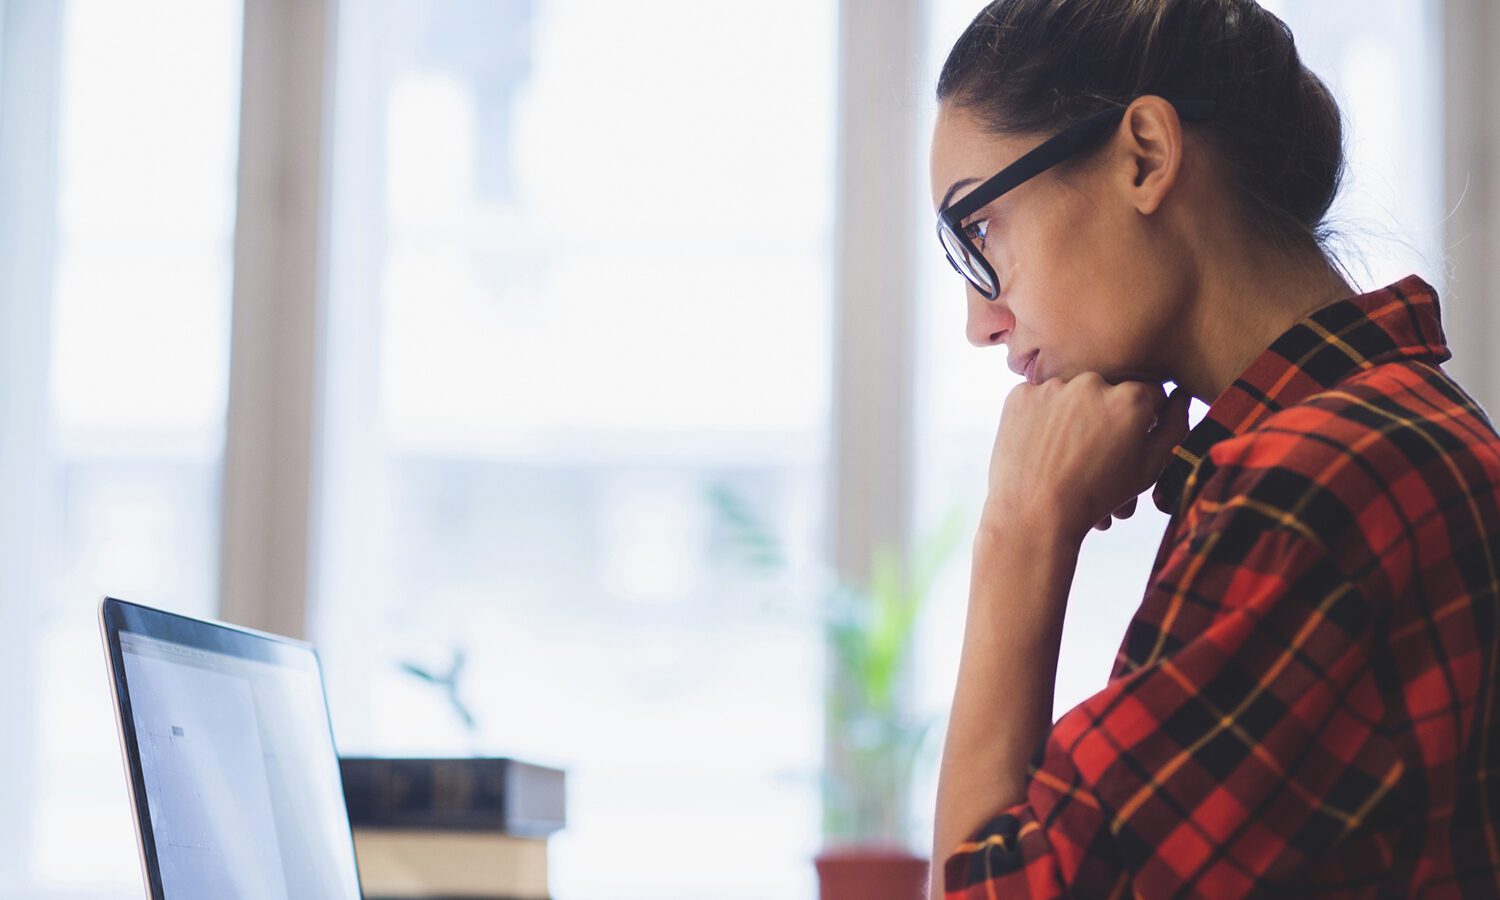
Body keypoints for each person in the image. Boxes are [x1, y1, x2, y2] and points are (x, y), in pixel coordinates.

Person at [927, 1, 1500, 897]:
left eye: (979, 232)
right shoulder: (1378, 434)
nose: (980, 321)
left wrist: (1020, 533)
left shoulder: (1311, 489)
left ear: (1145, 155)